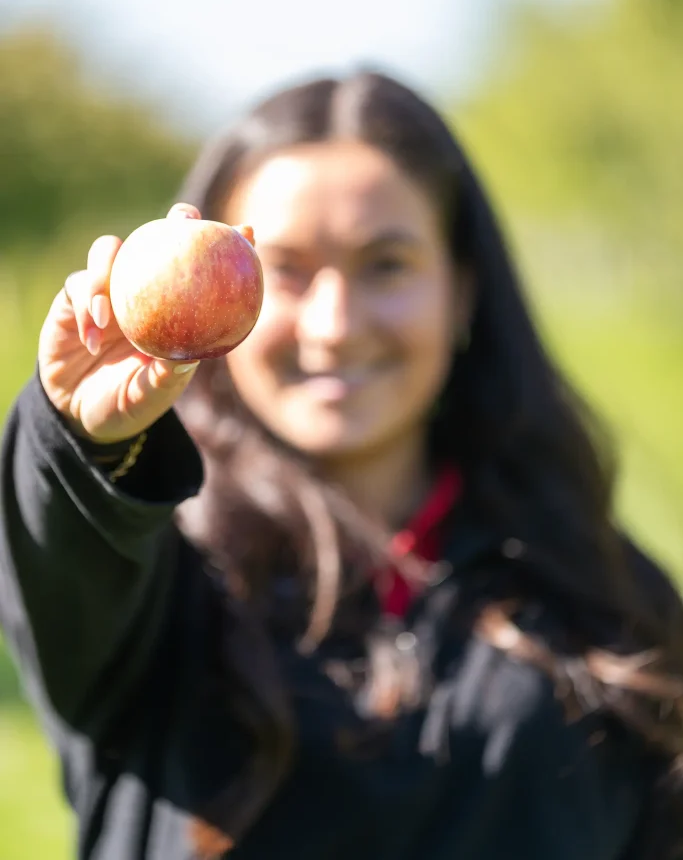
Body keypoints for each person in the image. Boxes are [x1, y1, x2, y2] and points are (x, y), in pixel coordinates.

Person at [1, 71, 682, 860]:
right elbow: (64, 542)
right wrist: (82, 443)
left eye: (385, 264)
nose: (334, 325)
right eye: (284, 269)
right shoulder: (148, 575)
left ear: (461, 289)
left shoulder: (599, 598)